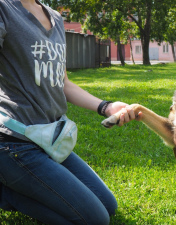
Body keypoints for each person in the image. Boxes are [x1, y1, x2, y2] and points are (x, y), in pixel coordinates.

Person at [0, 0, 136, 224]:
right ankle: (7, 195)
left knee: (108, 205)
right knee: (96, 219)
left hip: (49, 139)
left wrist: (107, 106)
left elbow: (64, 83)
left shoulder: (56, 17)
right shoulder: (5, 9)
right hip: (14, 143)